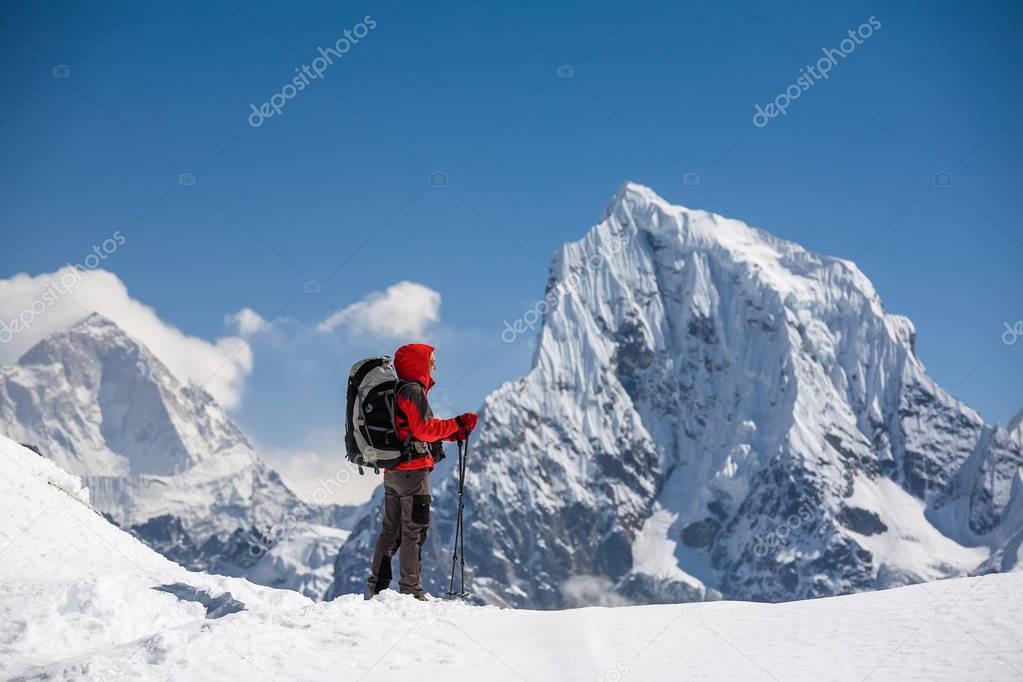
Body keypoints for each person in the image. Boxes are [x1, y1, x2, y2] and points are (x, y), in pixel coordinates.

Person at [366, 343, 477, 600]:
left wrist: (450, 433)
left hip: (393, 471)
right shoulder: (413, 390)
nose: (435, 366)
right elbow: (424, 430)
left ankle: (377, 586)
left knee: (390, 530)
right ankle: (411, 590)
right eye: (431, 360)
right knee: (414, 530)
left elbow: (410, 431)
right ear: (419, 362)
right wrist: (458, 423)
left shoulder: (397, 391)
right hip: (413, 474)